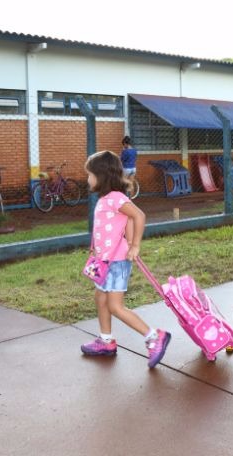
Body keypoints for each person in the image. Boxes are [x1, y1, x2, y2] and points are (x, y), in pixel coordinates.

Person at [80, 150, 171, 368]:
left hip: (117, 262)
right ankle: (106, 341)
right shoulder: (105, 199)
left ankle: (153, 337)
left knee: (115, 306)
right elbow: (124, 221)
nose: (88, 179)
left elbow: (138, 215)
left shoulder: (115, 198)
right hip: (104, 261)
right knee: (100, 298)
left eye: (90, 175)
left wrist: (135, 245)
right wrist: (95, 249)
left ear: (101, 176)